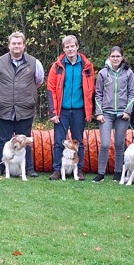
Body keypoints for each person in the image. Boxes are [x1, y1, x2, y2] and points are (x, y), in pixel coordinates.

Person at [0, 31, 45, 178]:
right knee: (2, 139)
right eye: (14, 43)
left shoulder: (34, 63)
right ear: (9, 46)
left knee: (25, 139)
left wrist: (26, 95)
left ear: (24, 45)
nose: (16, 46)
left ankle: (29, 169)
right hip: (3, 107)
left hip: (25, 108)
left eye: (19, 43)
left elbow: (39, 81)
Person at [47, 35, 95, 180]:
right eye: (67, 47)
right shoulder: (57, 66)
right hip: (62, 110)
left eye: (72, 46)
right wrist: (53, 112)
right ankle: (56, 170)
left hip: (80, 110)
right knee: (59, 141)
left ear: (77, 47)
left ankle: (79, 169)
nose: (70, 49)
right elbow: (51, 89)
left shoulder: (87, 66)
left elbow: (91, 90)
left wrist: (89, 111)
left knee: (78, 141)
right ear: (64, 49)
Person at [93, 46, 134, 182]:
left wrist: (127, 111)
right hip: (106, 113)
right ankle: (101, 173)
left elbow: (132, 93)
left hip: (122, 113)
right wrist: (99, 113)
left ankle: (118, 172)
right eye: (113, 56)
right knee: (105, 144)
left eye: (118, 56)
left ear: (122, 58)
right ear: (109, 57)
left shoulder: (128, 73)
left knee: (119, 143)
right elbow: (98, 94)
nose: (115, 59)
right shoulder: (103, 73)